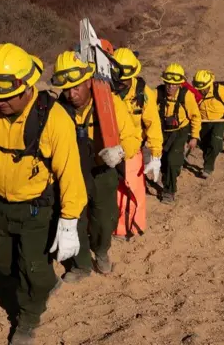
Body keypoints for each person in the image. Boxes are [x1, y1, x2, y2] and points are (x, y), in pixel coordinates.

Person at [0, 43, 88, 344]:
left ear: (27, 87)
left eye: (5, 97)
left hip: (35, 208)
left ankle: (28, 317)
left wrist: (69, 221)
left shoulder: (54, 119)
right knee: (3, 263)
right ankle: (43, 282)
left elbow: (70, 173)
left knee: (31, 265)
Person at [51, 50, 142, 282]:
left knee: (105, 218)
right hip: (73, 173)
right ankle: (81, 265)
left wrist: (120, 152)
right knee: (75, 218)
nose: (71, 94)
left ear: (89, 82)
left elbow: (132, 137)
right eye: (67, 89)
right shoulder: (57, 110)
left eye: (76, 88)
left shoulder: (110, 104)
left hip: (102, 171)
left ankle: (101, 251)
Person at [111, 47, 162, 239]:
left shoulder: (143, 94)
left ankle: (135, 227)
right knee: (117, 193)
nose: (120, 82)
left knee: (135, 191)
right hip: (110, 149)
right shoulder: (106, 90)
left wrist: (156, 153)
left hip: (133, 150)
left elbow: (153, 123)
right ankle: (118, 228)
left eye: (124, 78)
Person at [155, 63, 202, 200]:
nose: (170, 87)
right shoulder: (157, 93)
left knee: (172, 160)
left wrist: (194, 137)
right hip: (163, 132)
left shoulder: (186, 96)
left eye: (174, 84)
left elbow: (195, 117)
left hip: (180, 132)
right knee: (164, 161)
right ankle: (168, 176)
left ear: (180, 84)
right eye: (168, 83)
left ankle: (169, 191)